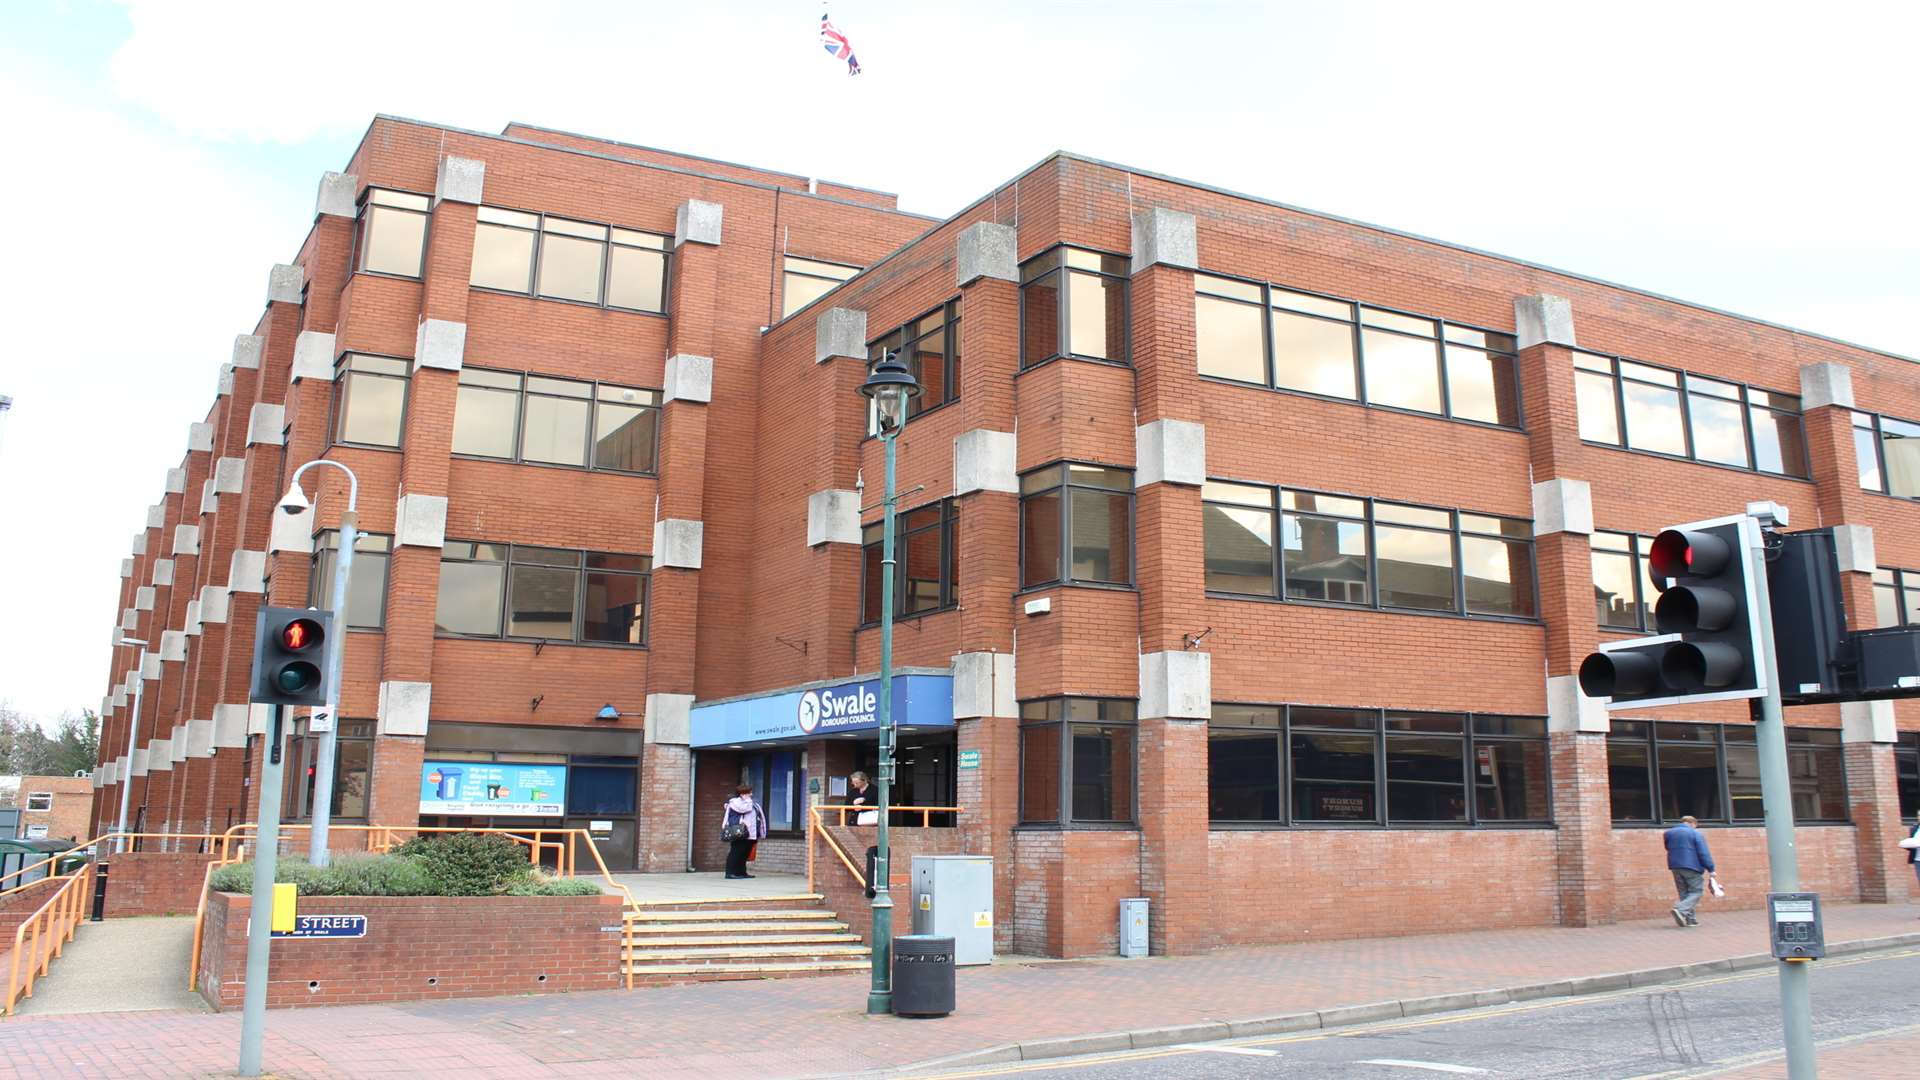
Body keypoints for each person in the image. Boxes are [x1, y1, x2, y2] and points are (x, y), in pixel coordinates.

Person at [1663, 814, 1717, 927]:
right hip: (1692, 866)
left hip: (1675, 866)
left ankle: (1689, 920)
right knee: (1696, 891)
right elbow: (1703, 853)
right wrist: (1711, 868)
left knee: (1684, 893)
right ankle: (1680, 909)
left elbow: (1668, 848)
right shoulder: (1695, 833)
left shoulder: (1669, 833)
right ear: (1693, 823)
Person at [723, 783, 767, 880]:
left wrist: (761, 832)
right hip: (739, 832)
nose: (751, 794)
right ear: (742, 794)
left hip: (751, 833)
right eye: (748, 793)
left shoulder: (752, 803)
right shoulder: (735, 803)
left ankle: (741, 872)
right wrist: (747, 800)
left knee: (744, 853)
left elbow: (759, 817)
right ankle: (730, 873)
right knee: (736, 852)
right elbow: (744, 809)